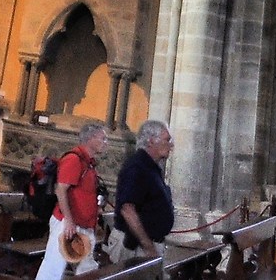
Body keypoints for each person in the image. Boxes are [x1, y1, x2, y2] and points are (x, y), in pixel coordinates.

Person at [38, 121, 109, 280]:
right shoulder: (74, 159)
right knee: (53, 268)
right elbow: (61, 190)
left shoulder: (89, 163)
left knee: (88, 270)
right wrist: (69, 222)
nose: (106, 143)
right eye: (103, 139)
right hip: (68, 224)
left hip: (83, 224)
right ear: (90, 139)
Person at [116, 119, 177, 261]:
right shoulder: (137, 167)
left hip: (147, 245)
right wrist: (148, 247)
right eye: (167, 140)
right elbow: (127, 209)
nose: (171, 145)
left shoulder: (151, 167)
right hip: (136, 247)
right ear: (151, 141)